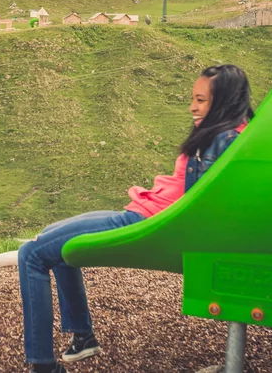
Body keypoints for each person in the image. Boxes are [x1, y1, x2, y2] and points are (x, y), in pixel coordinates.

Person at [18, 65, 253, 373]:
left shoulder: (222, 141)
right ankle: (83, 336)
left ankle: (43, 366)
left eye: (201, 100)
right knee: (53, 235)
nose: (192, 107)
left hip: (148, 222)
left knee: (31, 254)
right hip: (146, 211)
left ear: (223, 101)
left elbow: (199, 211)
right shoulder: (235, 132)